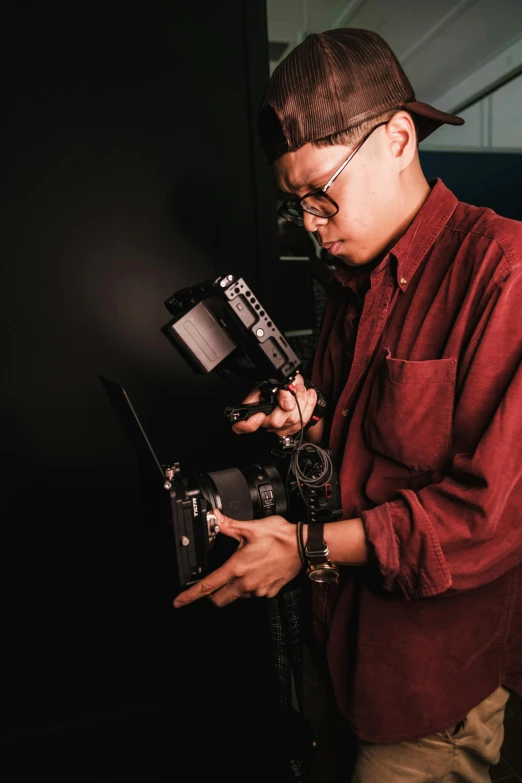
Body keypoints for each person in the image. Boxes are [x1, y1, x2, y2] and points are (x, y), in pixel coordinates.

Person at [173, 28, 522, 783]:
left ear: (398, 137)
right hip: (333, 654)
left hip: (429, 687)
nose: (310, 223)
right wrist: (309, 419)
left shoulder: (504, 274)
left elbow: (487, 520)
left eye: (321, 192)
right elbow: (378, 435)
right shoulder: (345, 284)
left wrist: (303, 547)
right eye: (295, 202)